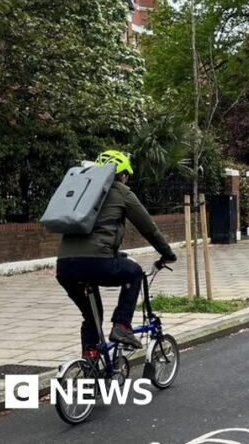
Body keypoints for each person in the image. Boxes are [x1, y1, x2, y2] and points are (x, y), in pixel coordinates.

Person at [56, 150, 177, 356]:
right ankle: (122, 326)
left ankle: (90, 360)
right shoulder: (121, 192)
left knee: (92, 316)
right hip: (97, 262)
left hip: (65, 266)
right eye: (126, 175)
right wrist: (167, 254)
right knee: (134, 272)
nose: (126, 179)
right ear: (120, 174)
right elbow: (148, 228)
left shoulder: (84, 191)